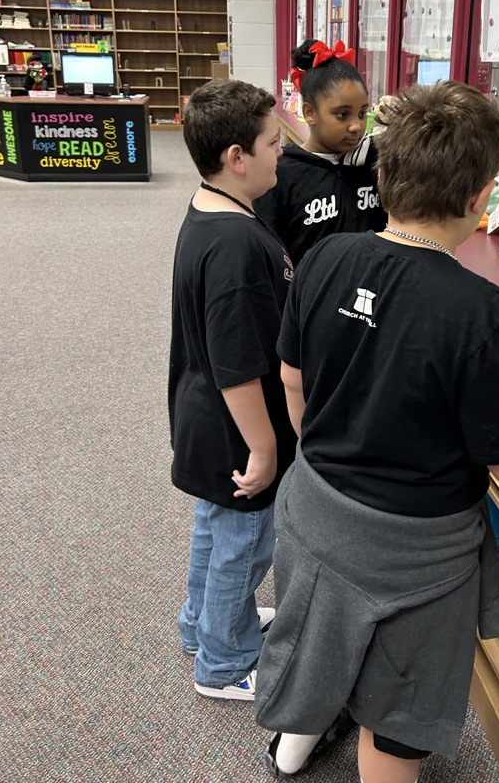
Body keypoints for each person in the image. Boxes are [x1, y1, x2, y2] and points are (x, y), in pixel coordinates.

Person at [255, 81, 499, 782]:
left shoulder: (326, 258)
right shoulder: (481, 314)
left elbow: (293, 382)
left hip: (311, 512)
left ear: (385, 173)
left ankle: (297, 737)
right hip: (414, 556)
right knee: (394, 723)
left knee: (316, 642)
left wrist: (331, 454)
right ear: (482, 198)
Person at [168, 78, 297, 702]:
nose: (283, 153)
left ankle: (203, 627)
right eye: (274, 143)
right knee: (244, 547)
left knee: (213, 528)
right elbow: (239, 366)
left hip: (201, 419)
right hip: (237, 429)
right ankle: (223, 661)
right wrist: (266, 449)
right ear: (236, 157)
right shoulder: (240, 246)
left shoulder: (208, 208)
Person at [253, 39, 386, 265]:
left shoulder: (374, 161)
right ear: (310, 113)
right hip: (309, 296)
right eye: (342, 115)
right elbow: (268, 255)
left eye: (362, 114)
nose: (356, 126)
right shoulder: (281, 174)